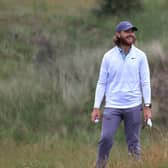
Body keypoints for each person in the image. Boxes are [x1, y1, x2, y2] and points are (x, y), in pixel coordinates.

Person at [91, 21, 152, 168]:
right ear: (118, 34)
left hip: (134, 106)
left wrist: (147, 106)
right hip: (113, 106)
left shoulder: (140, 56)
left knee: (134, 143)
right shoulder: (108, 57)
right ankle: (100, 166)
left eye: (132, 31)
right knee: (106, 138)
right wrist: (96, 107)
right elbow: (101, 83)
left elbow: (145, 82)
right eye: (127, 31)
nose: (131, 34)